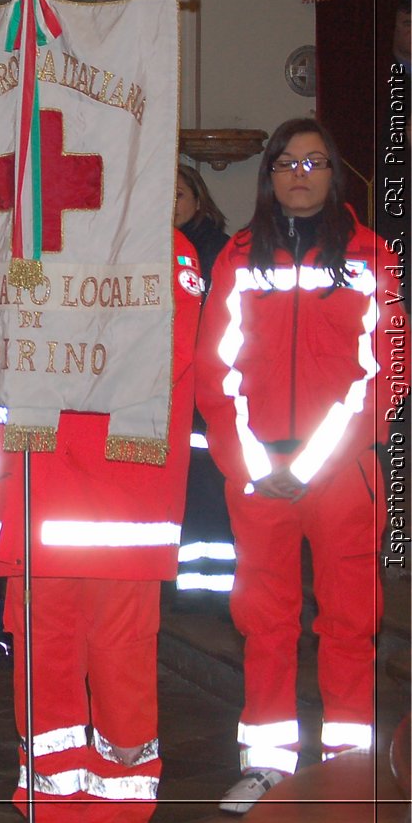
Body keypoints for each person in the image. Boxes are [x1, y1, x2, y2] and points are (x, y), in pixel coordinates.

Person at [196, 118, 404, 812]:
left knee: (350, 622)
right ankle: (266, 764)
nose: (300, 174)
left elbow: (386, 375)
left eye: (315, 163)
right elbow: (213, 367)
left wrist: (311, 463)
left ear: (334, 173)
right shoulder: (239, 256)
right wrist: (252, 460)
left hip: (344, 473)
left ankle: (349, 767)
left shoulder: (375, 258)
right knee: (265, 620)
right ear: (271, 175)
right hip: (256, 473)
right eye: (287, 163)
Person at [0, 231, 203, 823]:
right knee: (43, 680)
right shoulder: (29, 247)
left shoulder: (165, 247)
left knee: (121, 687)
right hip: (38, 503)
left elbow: (160, 354)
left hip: (121, 516)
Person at [173, 164, 237, 599]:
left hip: (206, 390)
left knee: (208, 492)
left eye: (177, 195)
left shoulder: (218, 250)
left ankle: (211, 590)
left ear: (198, 199)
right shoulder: (151, 246)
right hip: (174, 390)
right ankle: (187, 586)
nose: (169, 204)